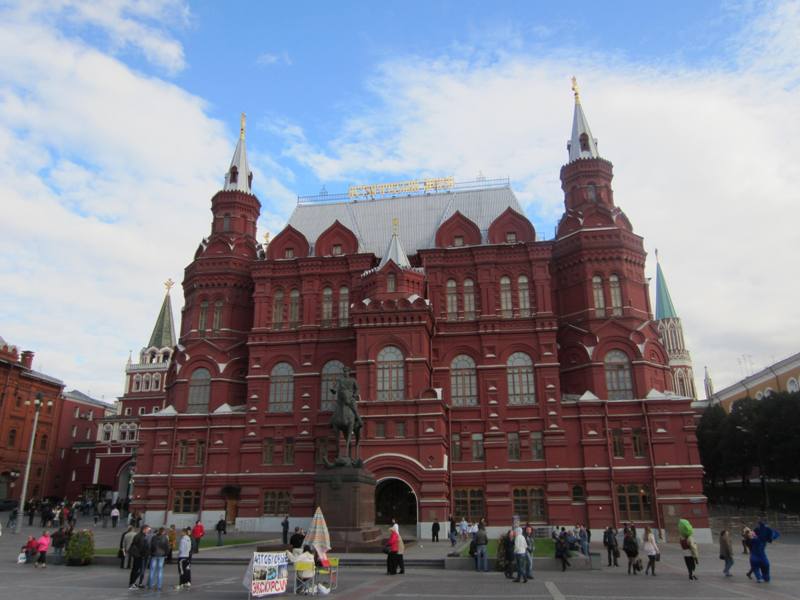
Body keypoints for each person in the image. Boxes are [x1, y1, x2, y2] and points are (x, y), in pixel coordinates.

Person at [128, 525, 151, 589]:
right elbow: (141, 547)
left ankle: (133, 583)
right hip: (139, 556)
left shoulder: (140, 536)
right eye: (148, 530)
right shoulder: (141, 536)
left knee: (136, 570)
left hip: (138, 555)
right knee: (136, 570)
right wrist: (144, 554)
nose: (148, 531)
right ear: (144, 529)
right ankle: (131, 583)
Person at [148, 527, 170, 592]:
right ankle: (159, 585)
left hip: (154, 555)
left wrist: (151, 553)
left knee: (152, 570)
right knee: (160, 570)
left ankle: (150, 585)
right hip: (162, 555)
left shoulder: (154, 537)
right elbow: (167, 547)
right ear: (163, 532)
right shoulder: (165, 538)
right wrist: (166, 554)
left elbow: (151, 546)